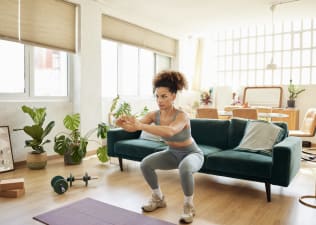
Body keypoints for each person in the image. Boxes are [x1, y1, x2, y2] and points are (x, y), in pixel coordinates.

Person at [116, 70, 204, 224]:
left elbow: (170, 131)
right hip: (172, 153)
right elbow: (134, 127)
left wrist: (140, 125)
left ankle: (189, 206)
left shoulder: (182, 116)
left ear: (173, 96)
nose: (160, 100)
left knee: (185, 168)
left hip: (192, 154)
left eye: (164, 96)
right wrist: (122, 124)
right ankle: (158, 198)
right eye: (157, 96)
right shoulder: (153, 115)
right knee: (146, 164)